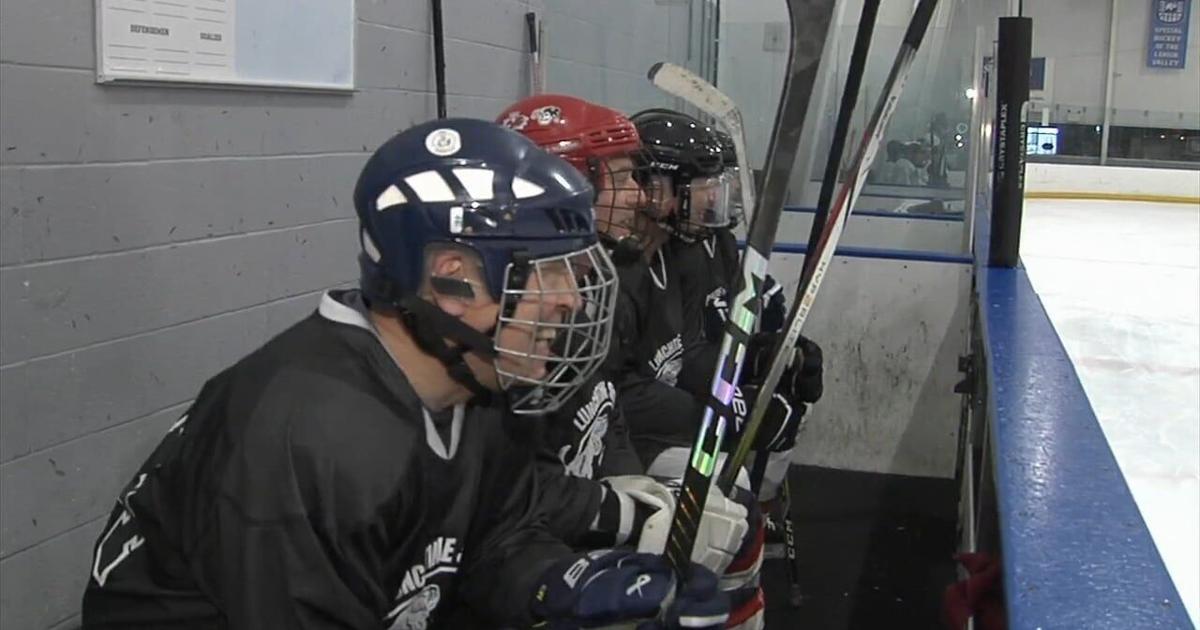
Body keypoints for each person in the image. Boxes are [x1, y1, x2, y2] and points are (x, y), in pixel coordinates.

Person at [81, 118, 729, 629]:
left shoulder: (476, 373)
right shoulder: (309, 437)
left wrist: (561, 582)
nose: (572, 300)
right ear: (450, 279)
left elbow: (487, 534)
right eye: (547, 271)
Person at [500, 96, 762, 628]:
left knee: (733, 529)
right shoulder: (508, 319)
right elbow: (508, 491)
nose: (640, 196)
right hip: (543, 550)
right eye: (622, 176)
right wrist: (618, 520)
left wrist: (630, 488)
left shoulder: (601, 276)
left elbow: (603, 404)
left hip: (579, 509)